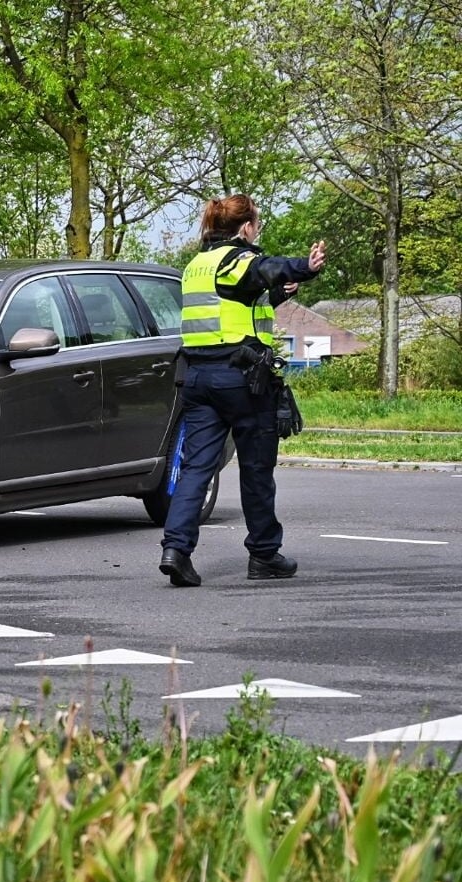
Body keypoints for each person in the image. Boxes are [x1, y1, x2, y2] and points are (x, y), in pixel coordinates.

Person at [158, 194, 326, 588]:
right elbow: (265, 268)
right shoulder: (237, 259)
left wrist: (280, 293)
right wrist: (306, 267)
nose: (259, 231)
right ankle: (264, 554)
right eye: (258, 224)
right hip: (242, 379)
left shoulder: (196, 265)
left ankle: (176, 549)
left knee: (197, 467)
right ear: (245, 227)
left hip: (198, 378)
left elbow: (237, 301)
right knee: (256, 469)